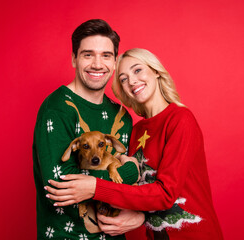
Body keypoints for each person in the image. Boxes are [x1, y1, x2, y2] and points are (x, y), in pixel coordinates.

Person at [46, 48, 224, 239]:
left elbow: (165, 193)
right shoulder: (137, 130)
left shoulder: (180, 120)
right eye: (123, 79)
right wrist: (140, 218)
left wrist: (96, 188)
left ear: (155, 71)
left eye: (137, 70)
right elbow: (137, 190)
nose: (131, 81)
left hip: (194, 234)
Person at [33, 20, 143, 240]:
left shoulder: (121, 116)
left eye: (105, 55)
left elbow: (137, 189)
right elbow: (60, 185)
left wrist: (140, 216)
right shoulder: (56, 109)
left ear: (114, 63)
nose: (97, 64)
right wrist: (131, 171)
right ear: (74, 59)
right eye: (87, 55)